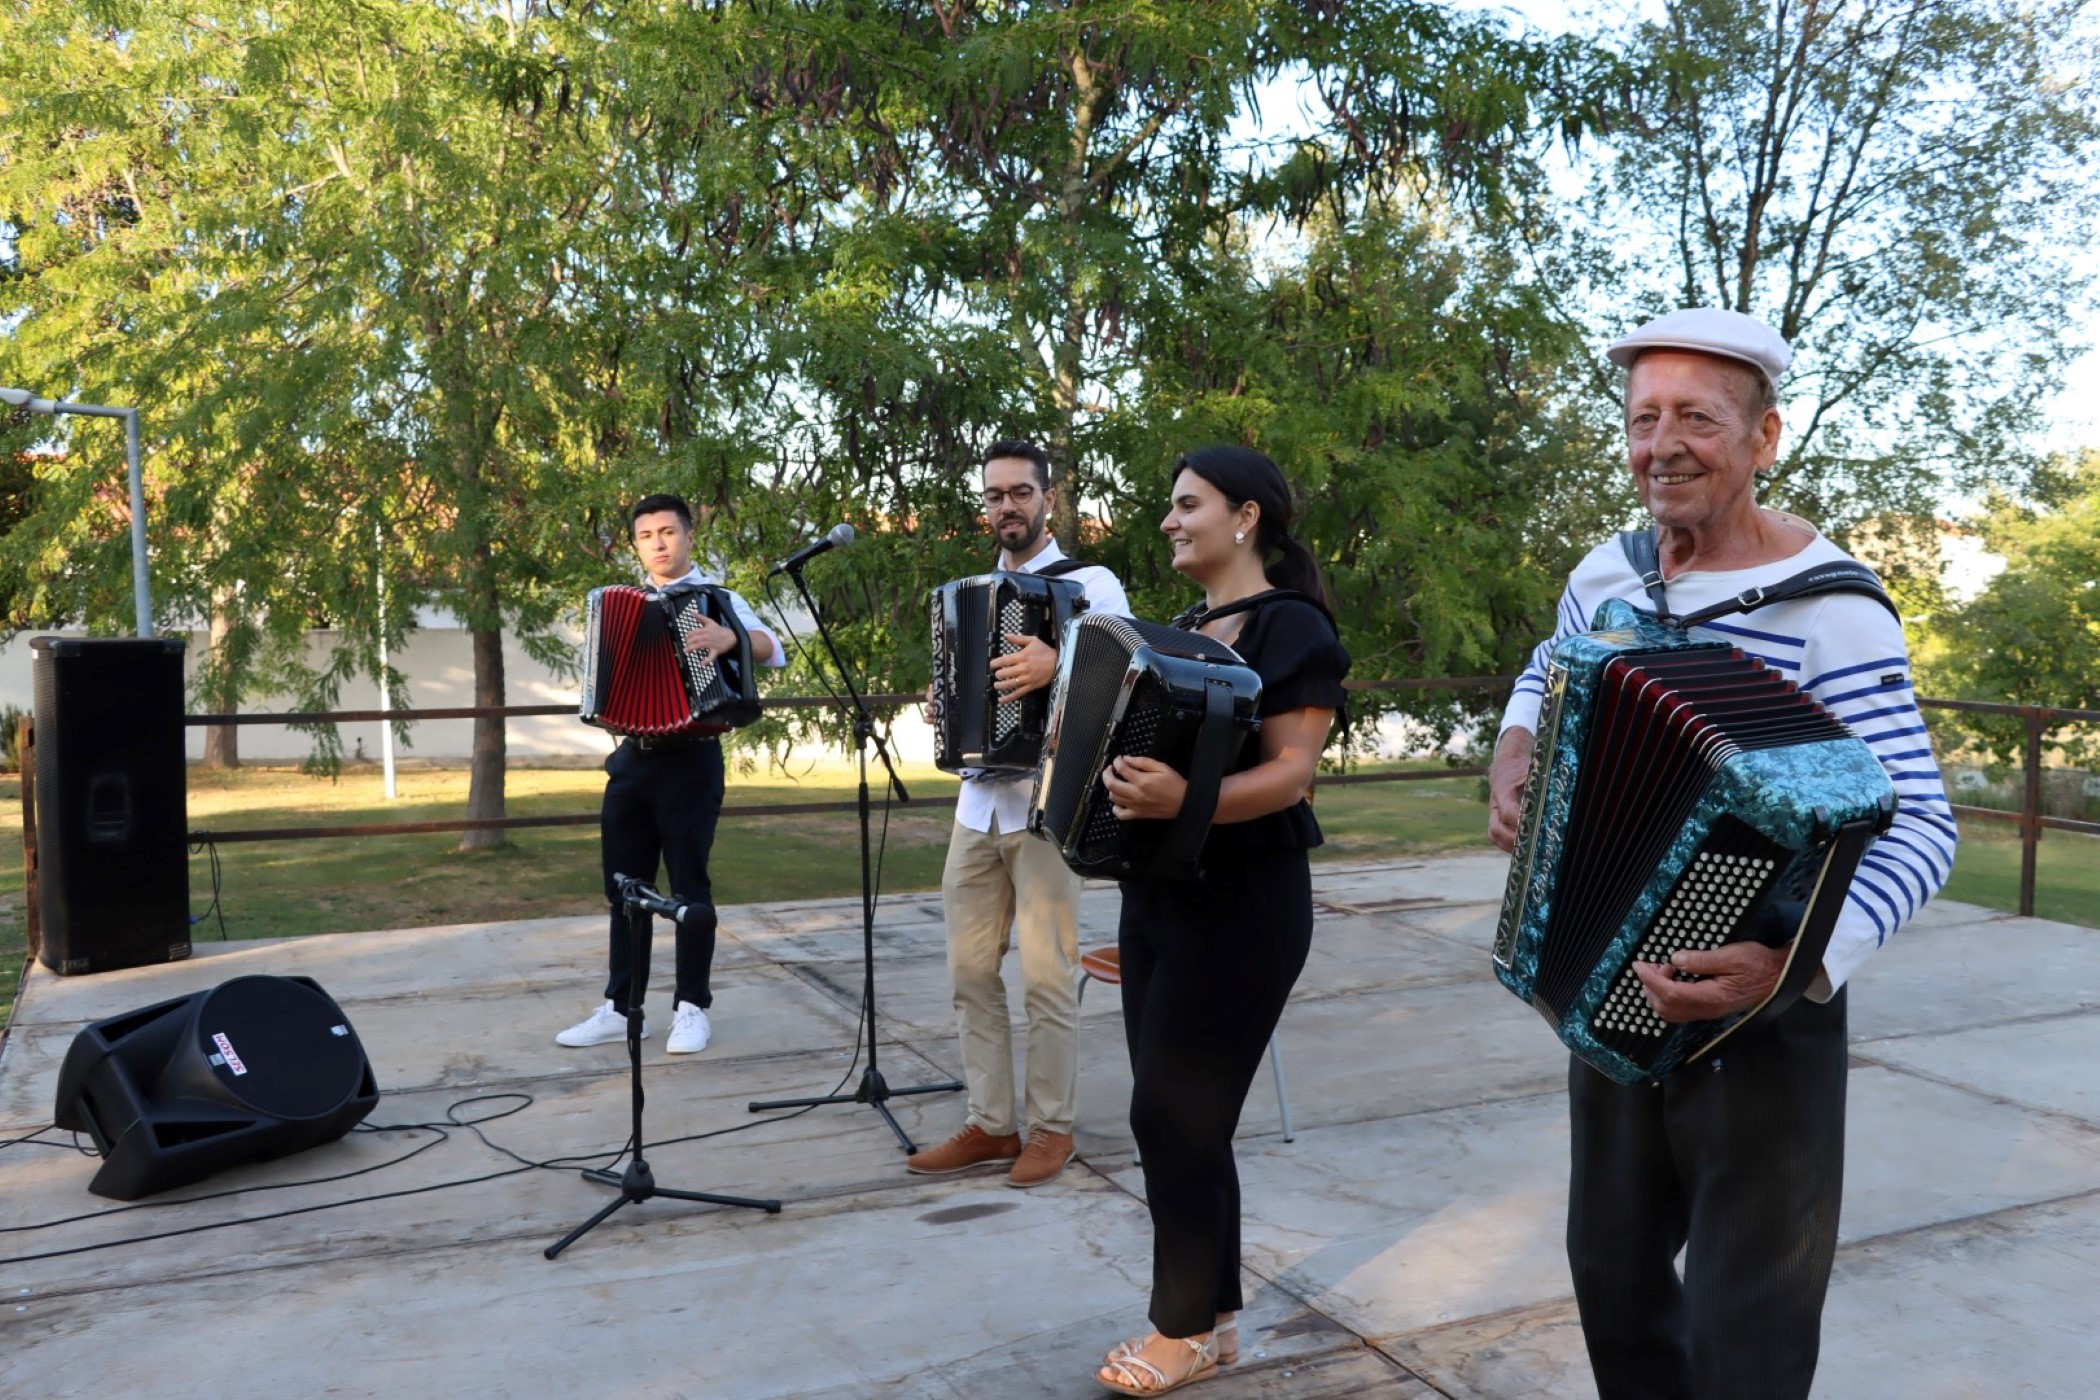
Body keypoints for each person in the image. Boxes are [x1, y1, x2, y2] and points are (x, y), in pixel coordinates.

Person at [1487, 308, 1957, 1398]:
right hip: (1607, 987)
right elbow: (1544, 674)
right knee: (1612, 1278)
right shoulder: (1606, 570)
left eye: (1698, 417)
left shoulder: (1834, 611)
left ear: (1764, 437)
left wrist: (1790, 966)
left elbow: (1924, 822)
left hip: (1760, 1010)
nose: (1664, 444)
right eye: (1644, 418)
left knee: (1749, 1322)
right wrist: (1515, 750)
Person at [1091, 446, 1349, 1396]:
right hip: (1157, 893)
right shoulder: (1183, 630)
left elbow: (1291, 774)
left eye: (1186, 505)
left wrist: (1181, 803)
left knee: (1169, 1115)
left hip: (1244, 899)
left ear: (1245, 516)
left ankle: (1179, 1330)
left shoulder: (1292, 627)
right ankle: (1221, 1322)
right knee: (1187, 1123)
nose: (1168, 520)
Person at [905, 441, 1130, 1188]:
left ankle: (1051, 1129)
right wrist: (945, 702)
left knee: (1045, 976)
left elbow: (1131, 674)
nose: (1008, 506)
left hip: (1046, 808)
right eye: (996, 495)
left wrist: (1055, 663)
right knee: (969, 974)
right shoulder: (970, 592)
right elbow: (959, 684)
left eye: (1021, 493)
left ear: (1048, 501)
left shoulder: (1091, 583)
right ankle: (992, 1123)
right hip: (978, 807)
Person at [555, 493, 785, 1055]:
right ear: (637, 545)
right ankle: (621, 1008)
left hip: (692, 757)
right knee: (624, 889)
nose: (658, 543)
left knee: (689, 886)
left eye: (668, 532)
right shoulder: (621, 603)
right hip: (634, 758)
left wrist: (732, 637)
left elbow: (771, 646)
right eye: (646, 536)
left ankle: (691, 1007)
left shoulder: (717, 597)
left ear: (688, 536)